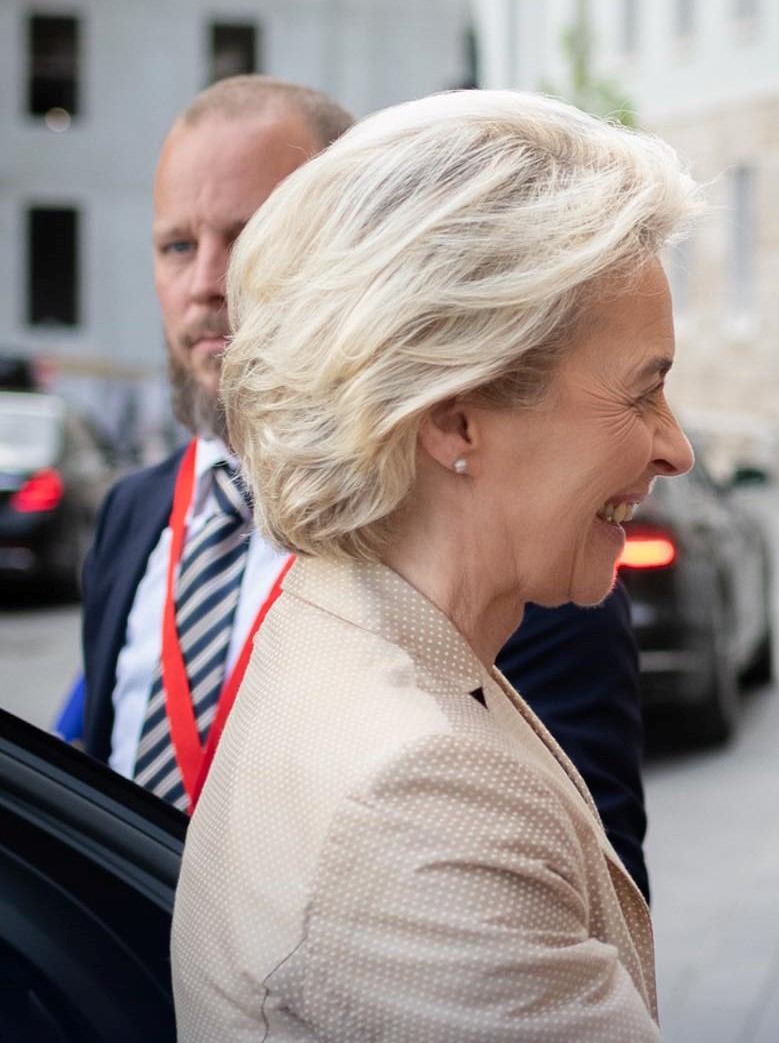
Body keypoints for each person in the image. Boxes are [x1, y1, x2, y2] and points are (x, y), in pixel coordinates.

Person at [172, 89, 696, 1038]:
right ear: (455, 419)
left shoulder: (333, 616)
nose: (675, 448)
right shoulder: (419, 801)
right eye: (641, 393)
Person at [76, 75, 653, 894]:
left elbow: (583, 892)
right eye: (177, 245)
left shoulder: (507, 551)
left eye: (249, 235)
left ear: (361, 249)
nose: (206, 280)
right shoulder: (129, 518)